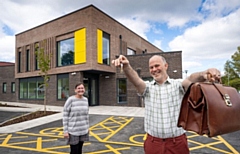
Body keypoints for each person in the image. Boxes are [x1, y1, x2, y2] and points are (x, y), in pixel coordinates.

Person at [112, 55, 221, 154]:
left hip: (177, 143)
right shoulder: (147, 88)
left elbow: (191, 79)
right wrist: (127, 67)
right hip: (153, 143)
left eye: (157, 66)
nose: (154, 69)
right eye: (151, 67)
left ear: (166, 66)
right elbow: (136, 80)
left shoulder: (178, 85)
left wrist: (204, 74)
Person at [63, 82, 89, 154]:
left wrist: (87, 127)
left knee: (80, 150)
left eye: (82, 88)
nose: (80, 90)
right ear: (75, 90)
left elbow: (86, 115)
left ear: (84, 89)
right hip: (73, 130)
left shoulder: (85, 100)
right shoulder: (70, 100)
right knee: (74, 151)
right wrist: (65, 131)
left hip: (83, 129)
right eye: (79, 88)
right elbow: (65, 115)